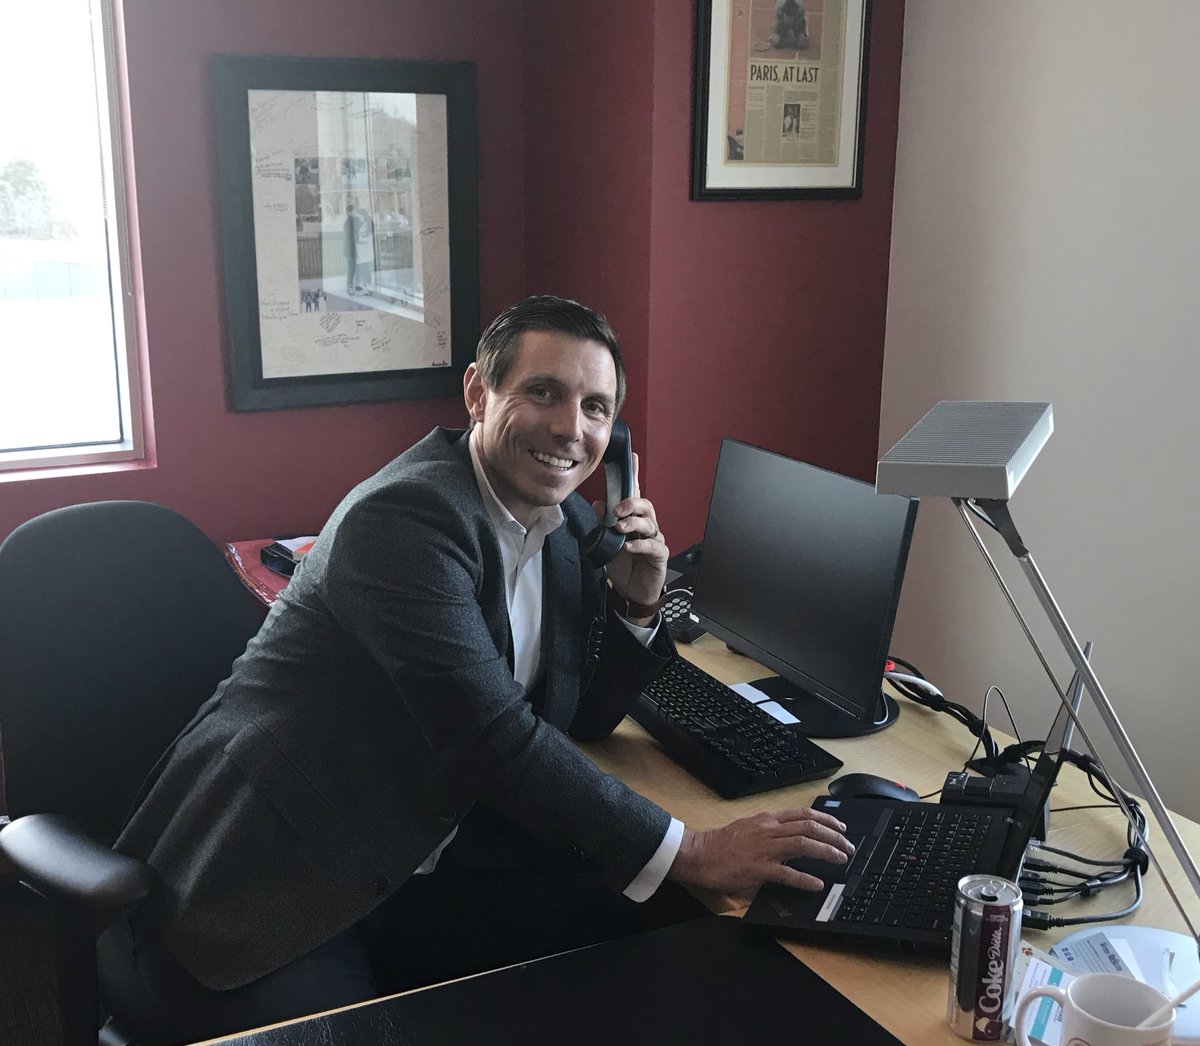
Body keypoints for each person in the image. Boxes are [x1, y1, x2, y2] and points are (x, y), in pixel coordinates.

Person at [103, 295, 854, 1043]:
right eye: (544, 392)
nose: (571, 428)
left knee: (687, 952)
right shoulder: (405, 519)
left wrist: (636, 604)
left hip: (424, 860)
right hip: (277, 876)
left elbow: (584, 719)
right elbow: (493, 736)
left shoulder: (568, 526)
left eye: (596, 407)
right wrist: (692, 848)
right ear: (477, 393)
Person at [343, 202, 359, 295]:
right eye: (353, 211)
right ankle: (350, 286)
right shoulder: (350, 222)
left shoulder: (350, 221)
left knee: (352, 267)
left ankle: (352, 285)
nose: (354, 212)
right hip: (351, 249)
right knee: (352, 268)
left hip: (350, 249)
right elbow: (352, 235)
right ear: (349, 212)